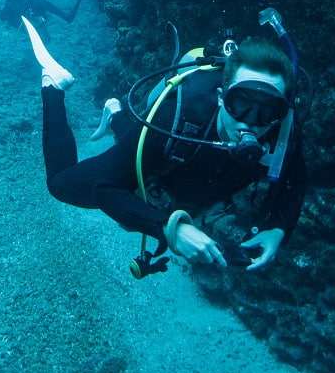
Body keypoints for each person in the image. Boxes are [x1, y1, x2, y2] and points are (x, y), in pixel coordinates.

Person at [34, 25, 307, 277]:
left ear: (280, 112)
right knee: (60, 184)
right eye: (242, 102)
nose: (250, 120)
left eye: (268, 109)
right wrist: (169, 227)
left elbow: (295, 180)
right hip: (156, 161)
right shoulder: (178, 117)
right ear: (223, 97)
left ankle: (116, 113)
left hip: (170, 170)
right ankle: (54, 86)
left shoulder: (280, 132)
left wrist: (279, 227)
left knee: (144, 152)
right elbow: (105, 188)